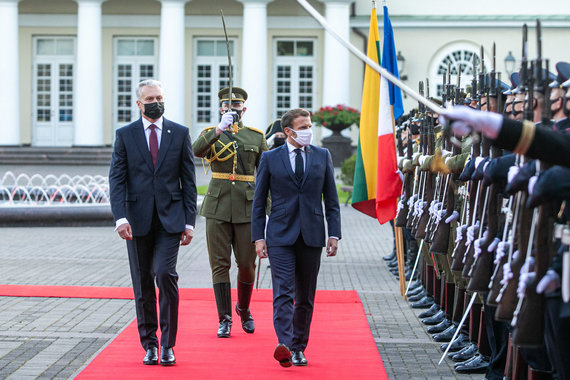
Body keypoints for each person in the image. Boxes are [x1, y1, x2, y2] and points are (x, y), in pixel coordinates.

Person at [109, 79, 197, 366]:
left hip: (171, 221)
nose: (155, 102)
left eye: (159, 97)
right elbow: (117, 180)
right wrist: (120, 217)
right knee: (143, 282)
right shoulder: (125, 135)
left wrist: (190, 221)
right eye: (149, 98)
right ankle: (149, 344)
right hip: (136, 222)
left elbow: (189, 181)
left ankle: (168, 345)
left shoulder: (179, 133)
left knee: (164, 274)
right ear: (139, 103)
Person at [251, 108, 341, 367]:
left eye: (309, 126)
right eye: (303, 127)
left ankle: (299, 346)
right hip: (279, 235)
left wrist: (334, 233)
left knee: (305, 296)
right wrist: (258, 237)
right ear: (289, 131)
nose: (308, 131)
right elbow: (258, 204)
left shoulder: (322, 156)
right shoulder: (270, 158)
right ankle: (285, 345)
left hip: (312, 235)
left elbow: (332, 201)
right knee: (283, 292)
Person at [192, 87, 268, 338]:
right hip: (217, 205)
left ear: (243, 109)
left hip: (247, 206)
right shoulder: (210, 134)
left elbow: (266, 176)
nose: (231, 110)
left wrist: (268, 211)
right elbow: (195, 151)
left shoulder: (256, 137)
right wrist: (218, 130)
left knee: (247, 264)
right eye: (226, 106)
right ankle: (224, 318)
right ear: (220, 109)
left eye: (235, 107)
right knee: (219, 264)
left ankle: (243, 308)